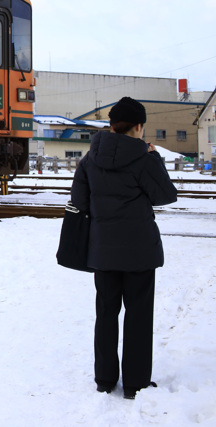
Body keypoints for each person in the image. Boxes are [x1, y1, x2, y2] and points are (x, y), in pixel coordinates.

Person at [71, 96, 177, 399]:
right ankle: (136, 382)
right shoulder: (144, 158)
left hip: (102, 250)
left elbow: (79, 203)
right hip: (140, 251)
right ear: (139, 127)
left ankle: (104, 379)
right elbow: (165, 196)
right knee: (139, 316)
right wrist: (155, 159)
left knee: (105, 313)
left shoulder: (90, 159)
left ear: (111, 126)